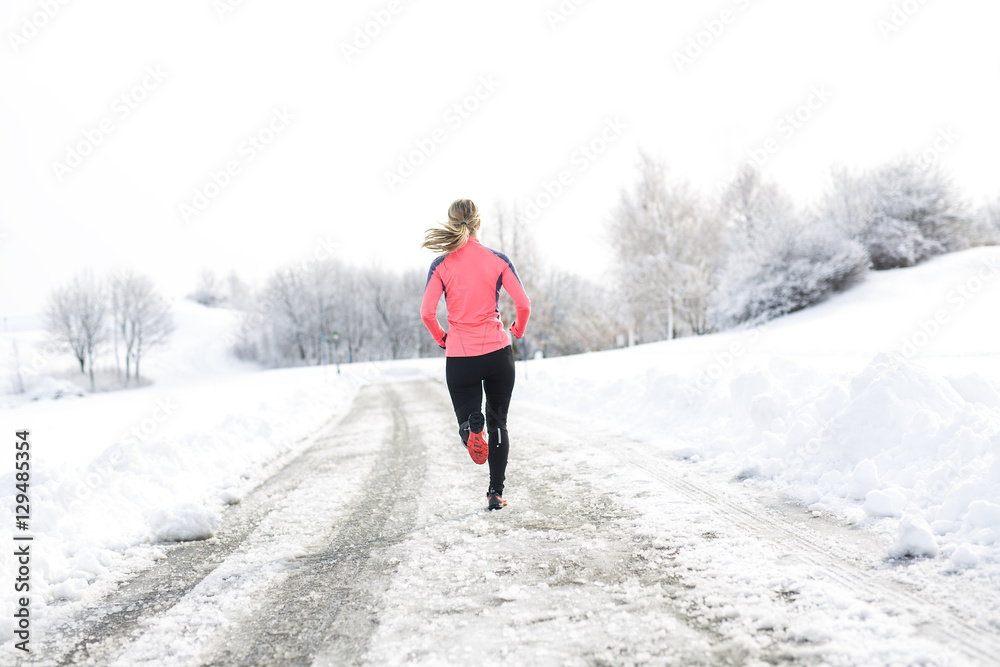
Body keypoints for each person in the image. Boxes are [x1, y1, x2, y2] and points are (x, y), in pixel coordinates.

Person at [420, 199, 531, 511]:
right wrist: (518, 330)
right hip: (497, 353)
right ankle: (495, 493)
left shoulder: (441, 264)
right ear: (478, 224)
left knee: (469, 420)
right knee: (499, 423)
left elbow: (427, 312)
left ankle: (470, 428)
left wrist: (442, 337)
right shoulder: (497, 260)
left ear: (453, 222)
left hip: (460, 358)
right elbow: (523, 305)